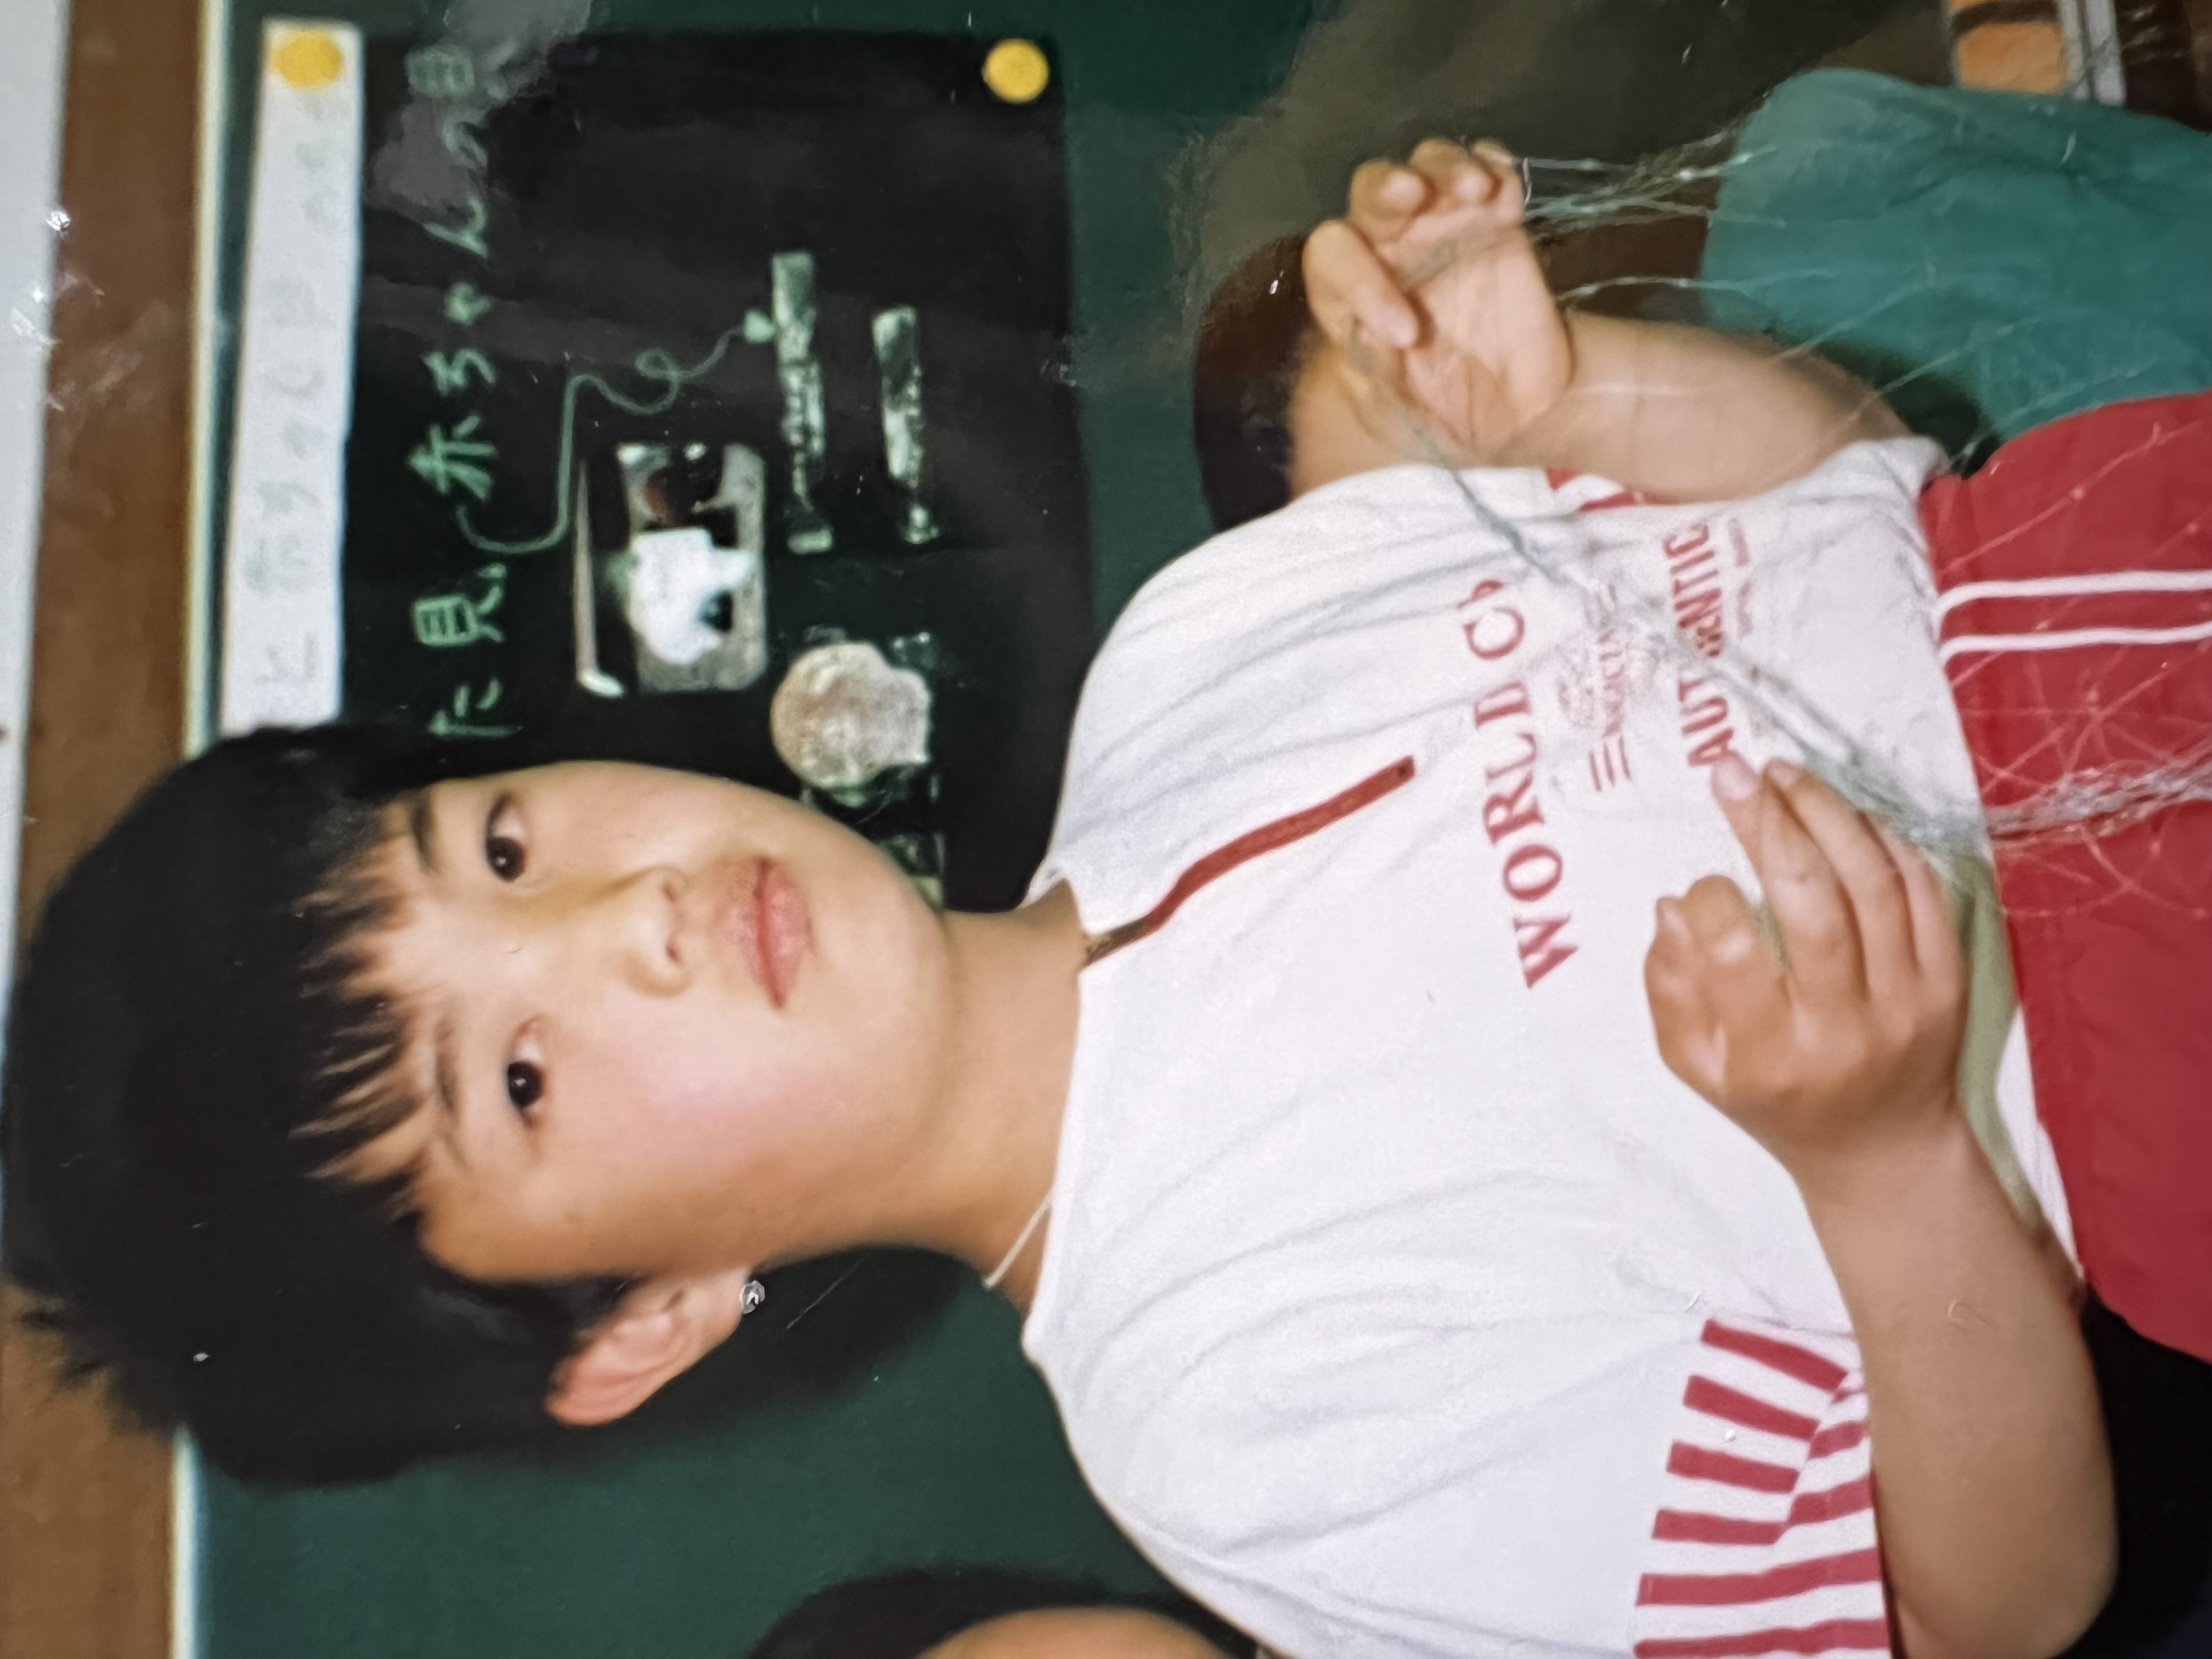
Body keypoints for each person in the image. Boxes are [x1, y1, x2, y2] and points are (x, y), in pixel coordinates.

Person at [4, 140, 2146, 1658]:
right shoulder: (1236, 1430)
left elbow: (1857, 498)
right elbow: (1987, 1607)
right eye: (524, 1080)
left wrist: (1566, 390)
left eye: (497, 849)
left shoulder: (1186, 661)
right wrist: (1884, 1167)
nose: (627, 918)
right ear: (639, 1322)